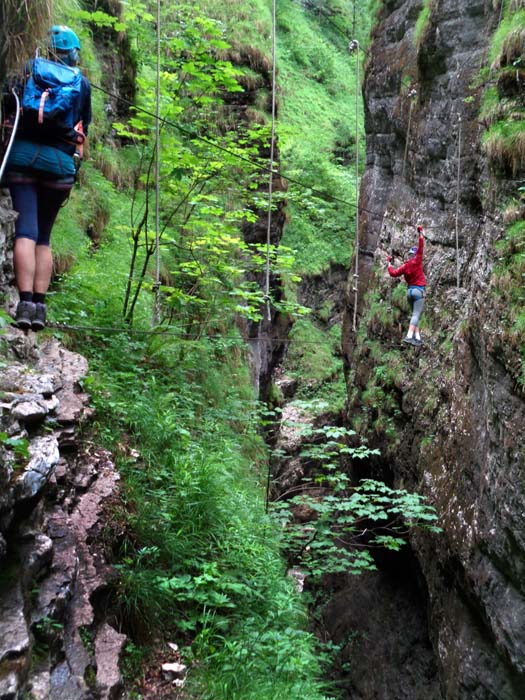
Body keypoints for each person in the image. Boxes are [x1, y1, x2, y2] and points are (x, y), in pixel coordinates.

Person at [3, 25, 92, 331]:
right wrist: (75, 160)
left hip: (22, 159)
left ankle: (24, 303)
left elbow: (8, 112)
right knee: (44, 236)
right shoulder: (81, 83)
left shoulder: (26, 71)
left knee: (25, 230)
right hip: (59, 166)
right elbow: (82, 134)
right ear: (74, 53)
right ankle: (40, 307)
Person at [386, 225, 426, 346]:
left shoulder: (405, 266)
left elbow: (393, 273)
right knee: (416, 314)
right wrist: (421, 233)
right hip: (418, 291)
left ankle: (417, 338)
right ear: (415, 255)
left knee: (415, 314)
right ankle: (409, 336)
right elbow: (421, 244)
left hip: (409, 293)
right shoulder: (417, 261)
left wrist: (389, 263)